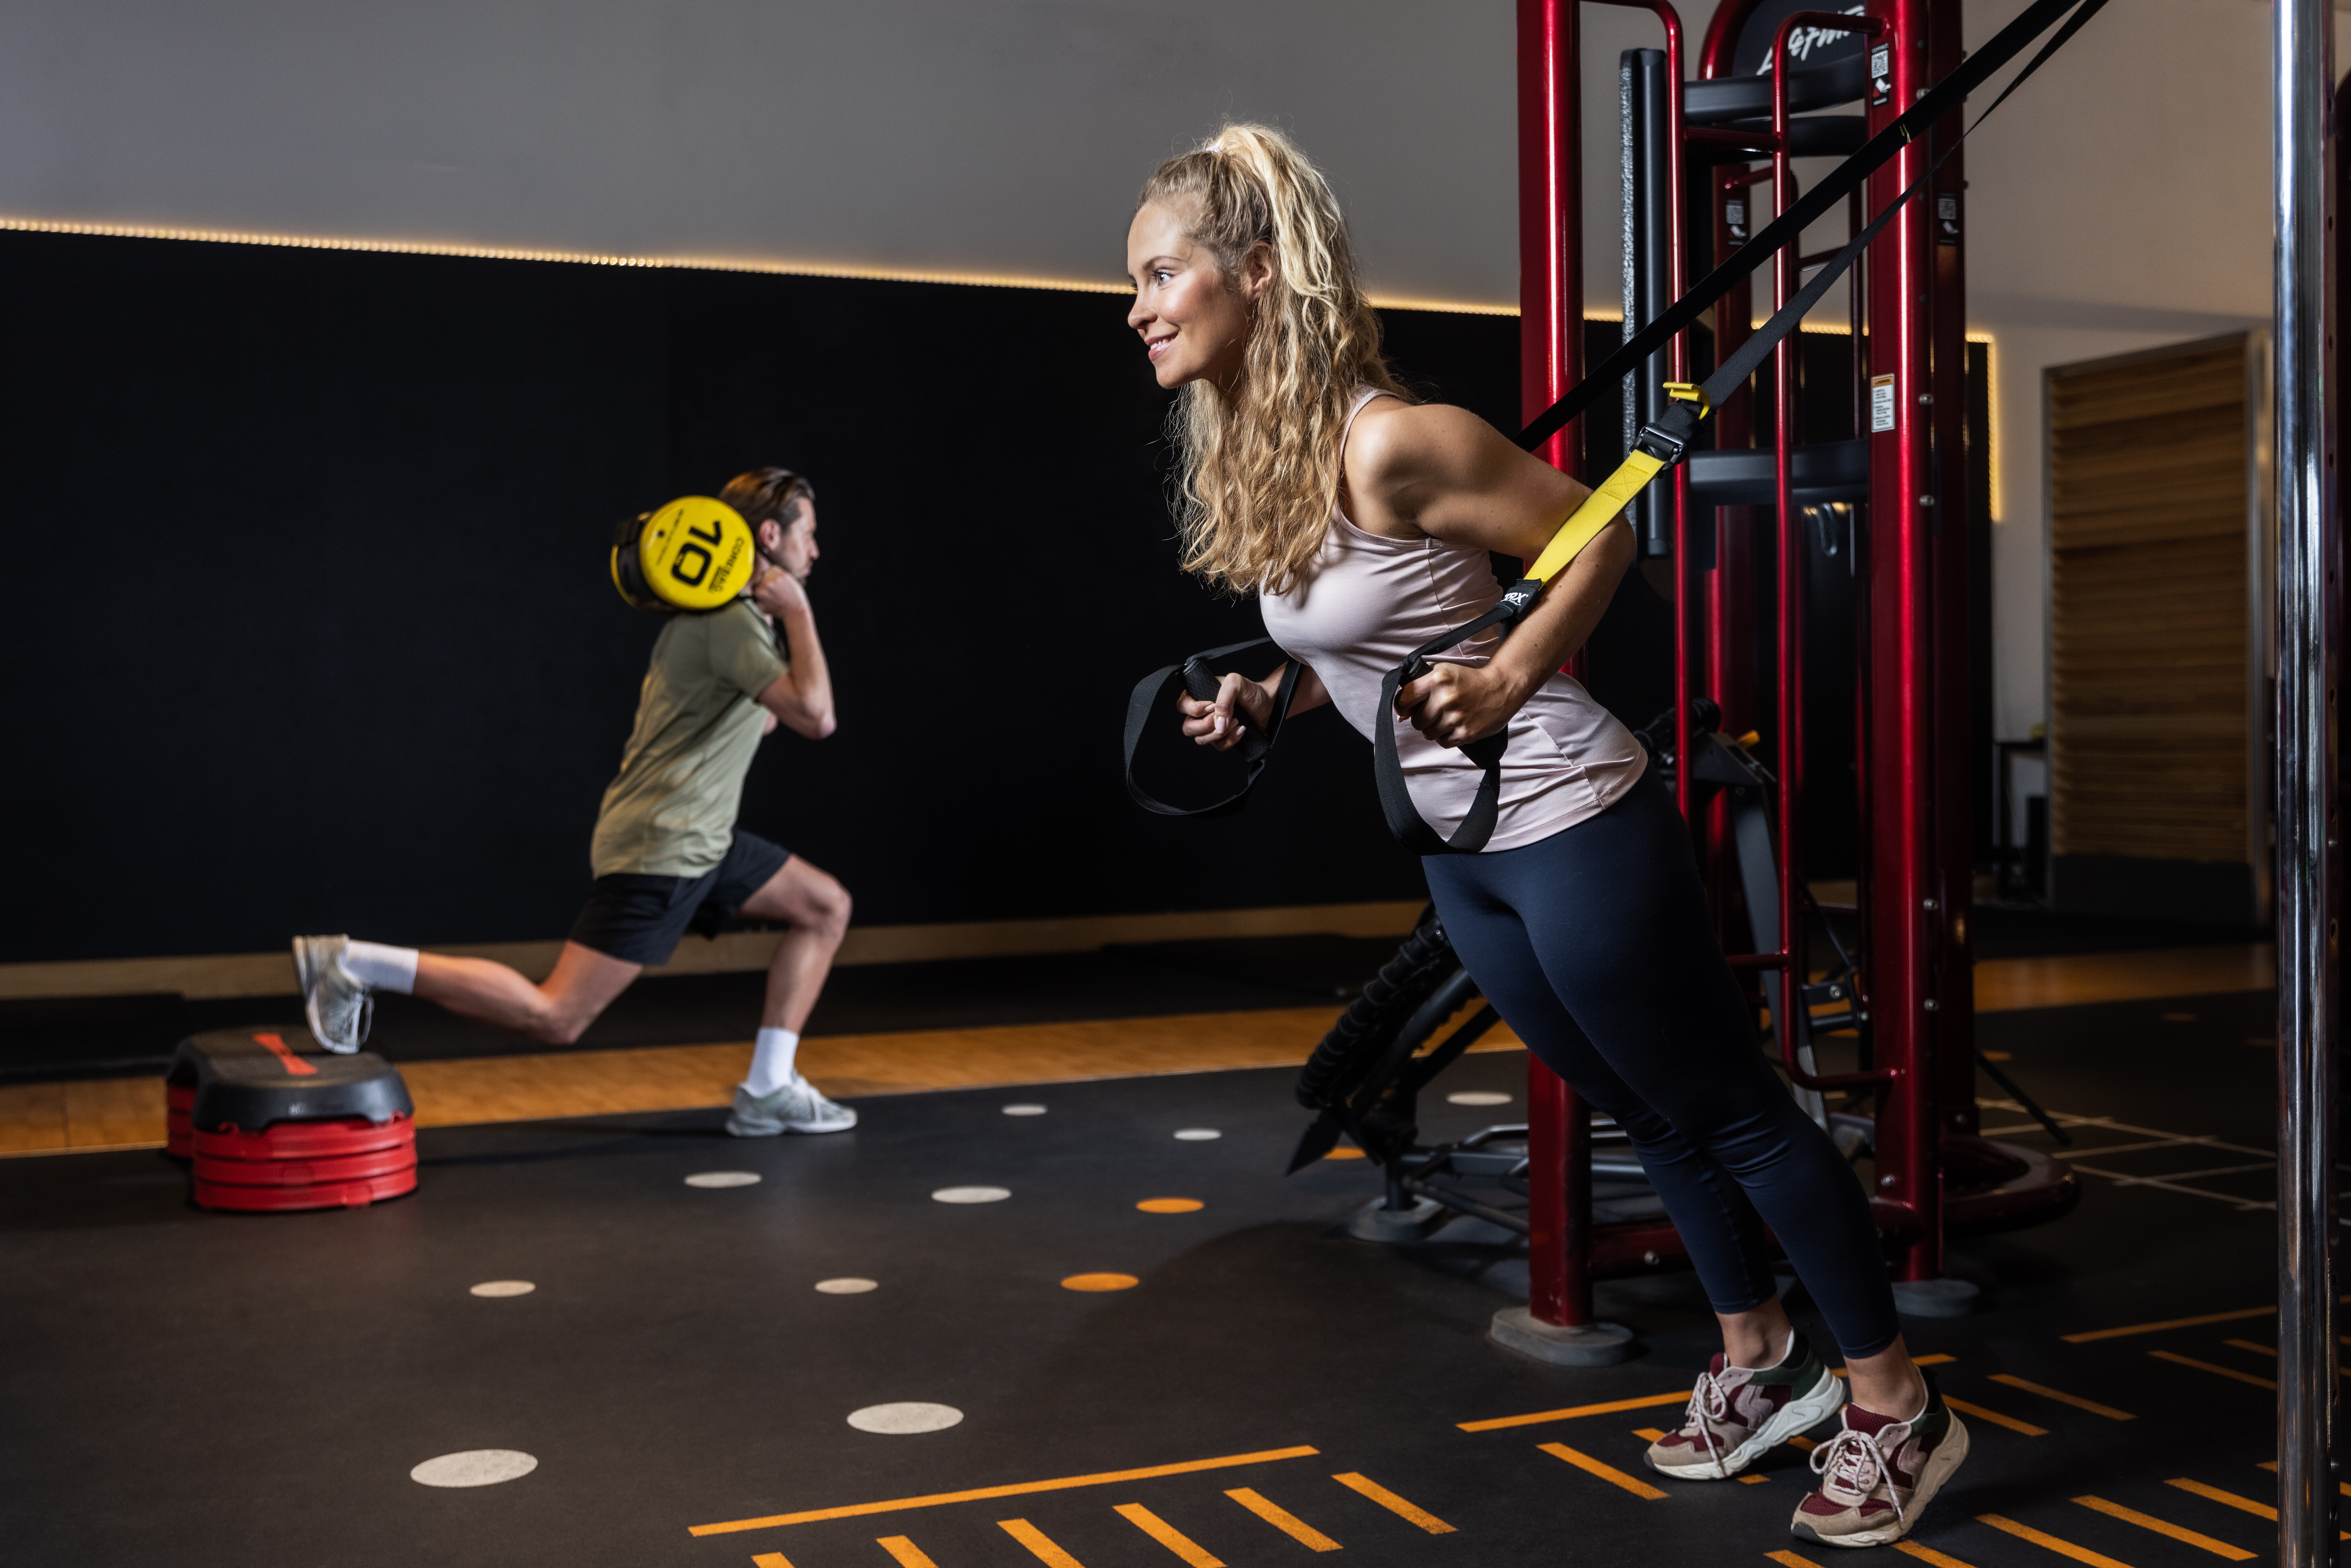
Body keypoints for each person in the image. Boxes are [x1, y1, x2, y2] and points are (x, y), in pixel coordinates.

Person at [1127, 125, 1966, 1550]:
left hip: (1571, 820)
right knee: (1645, 1108)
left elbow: (1602, 538)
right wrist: (1272, 698)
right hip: (1461, 855)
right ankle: (1761, 1359)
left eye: (1161, 271)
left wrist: (1514, 675)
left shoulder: (1396, 439)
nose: (1138, 303)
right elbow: (1373, 639)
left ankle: (1899, 1408)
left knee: (1734, 1110)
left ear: (1259, 274)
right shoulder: (1270, 454)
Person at [292, 467, 859, 1139]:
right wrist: (798, 611)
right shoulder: (731, 620)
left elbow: (765, 717)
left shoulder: (732, 625)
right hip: (666, 844)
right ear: (772, 534)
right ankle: (352, 963)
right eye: (810, 534)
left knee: (824, 906)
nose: (816, 551)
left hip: (701, 838)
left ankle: (768, 1087)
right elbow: (816, 717)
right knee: (556, 1014)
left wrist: (775, 658)